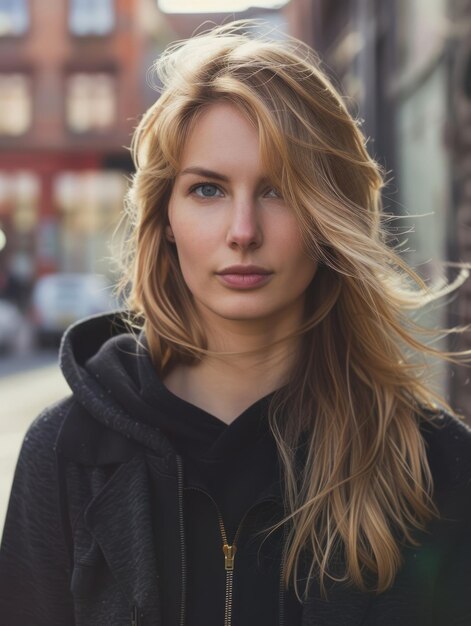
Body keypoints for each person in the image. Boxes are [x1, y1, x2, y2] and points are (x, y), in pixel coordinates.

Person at [1, 19, 470, 626]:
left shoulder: (434, 465)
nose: (243, 231)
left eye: (278, 190)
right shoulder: (67, 455)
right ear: (165, 216)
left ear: (331, 217)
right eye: (208, 190)